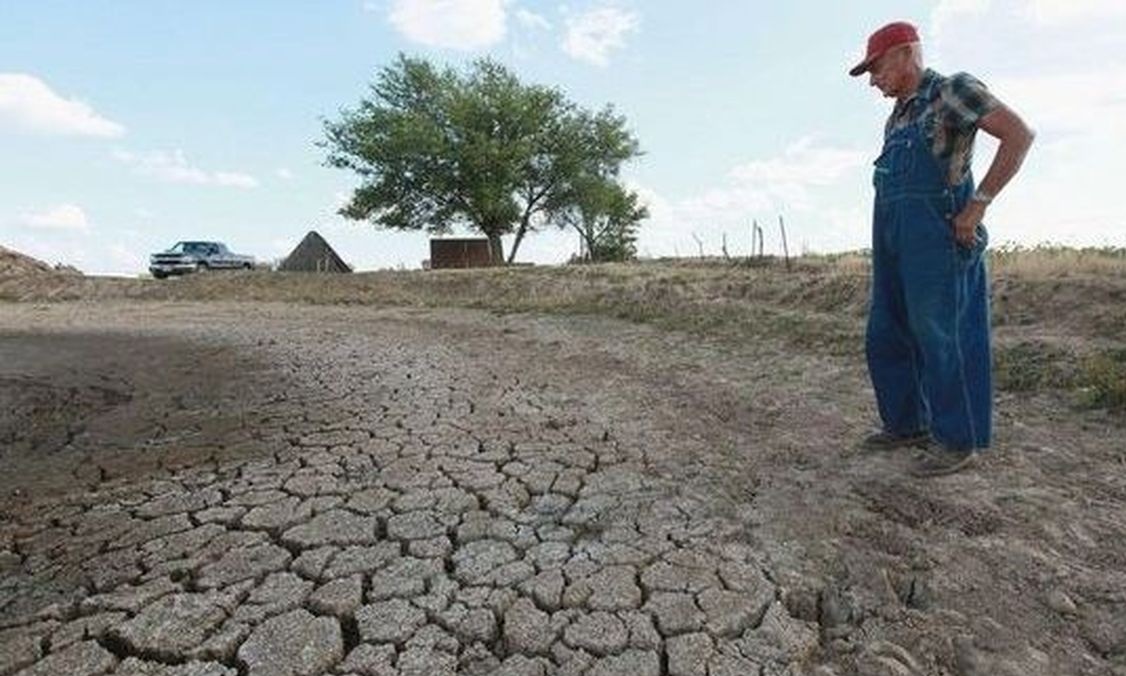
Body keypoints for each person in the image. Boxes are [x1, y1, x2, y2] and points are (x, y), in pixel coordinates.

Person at [849, 21, 1034, 477]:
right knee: (885, 331)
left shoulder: (952, 91)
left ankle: (956, 439)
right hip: (893, 235)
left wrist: (977, 207)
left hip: (938, 234)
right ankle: (907, 424)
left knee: (942, 333)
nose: (873, 80)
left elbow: (1018, 135)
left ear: (905, 53)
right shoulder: (898, 116)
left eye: (875, 68)